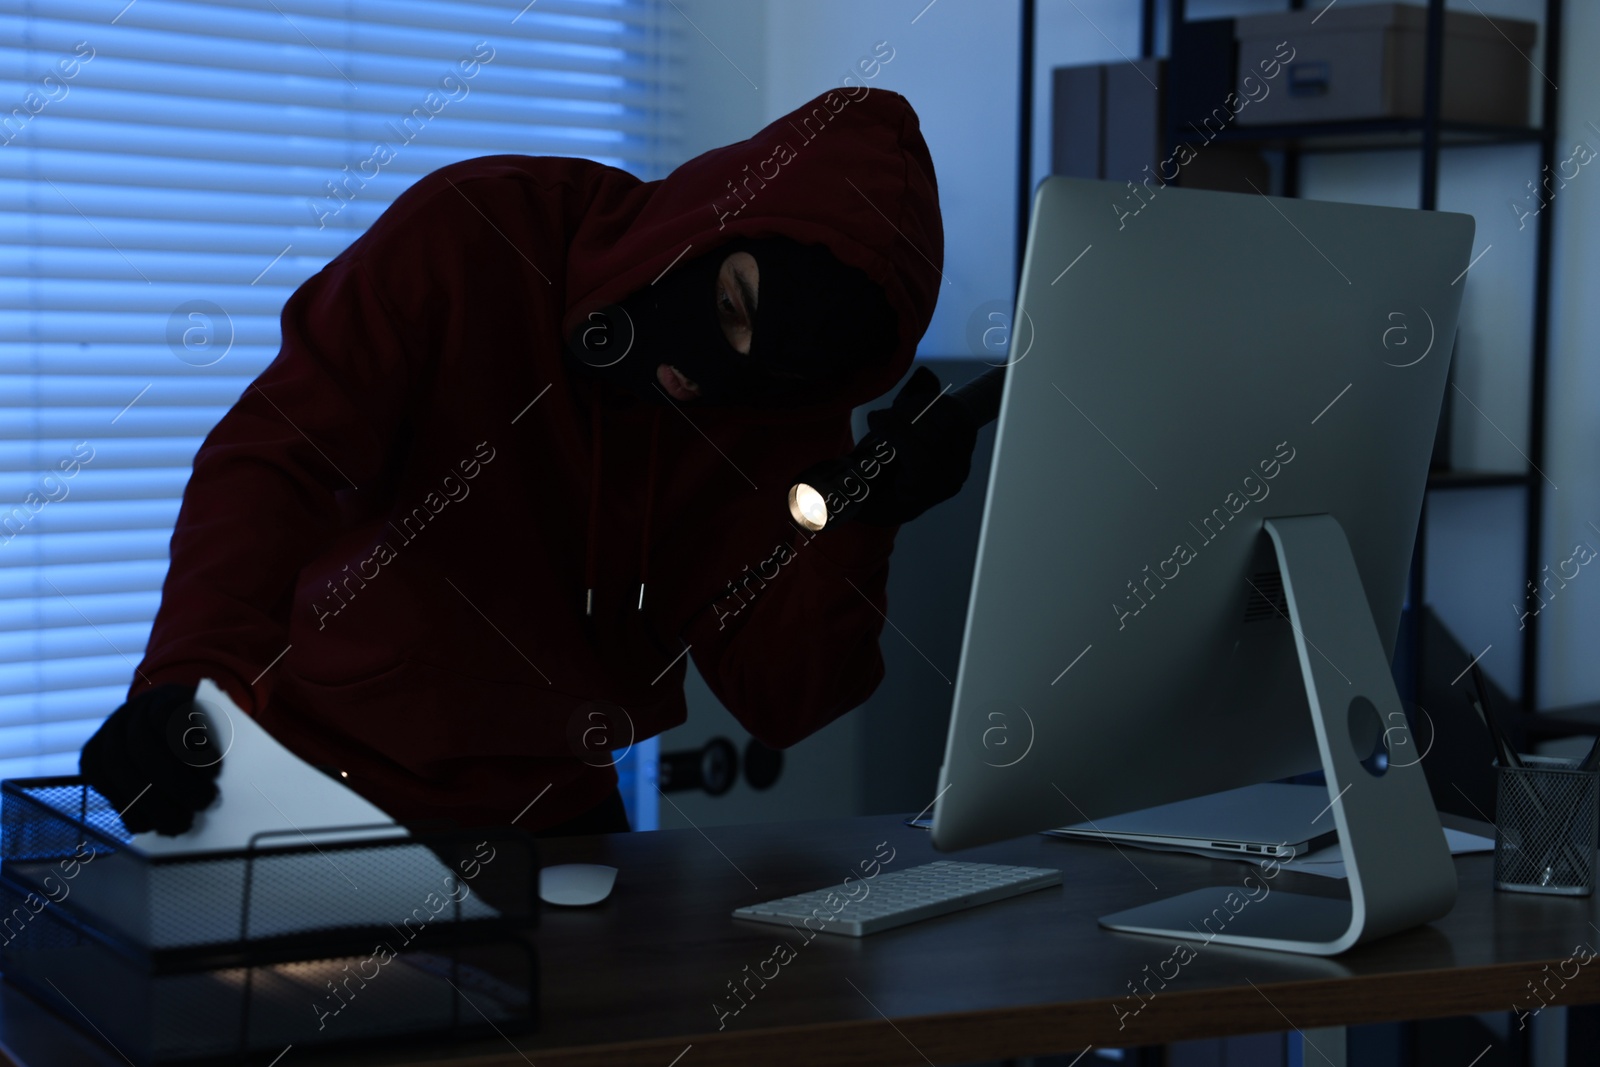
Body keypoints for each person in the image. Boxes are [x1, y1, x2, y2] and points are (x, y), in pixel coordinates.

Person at [79, 87, 975, 841]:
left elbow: (783, 699)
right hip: (314, 778)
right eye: (731, 301)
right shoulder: (477, 232)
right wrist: (185, 681)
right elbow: (276, 458)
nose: (709, 367)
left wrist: (863, 522)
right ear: (716, 212)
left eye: (765, 365)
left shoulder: (776, 420)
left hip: (554, 815)